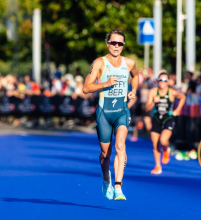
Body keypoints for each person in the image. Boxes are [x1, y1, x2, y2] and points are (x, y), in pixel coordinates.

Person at [83, 29, 138, 201]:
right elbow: (86, 88)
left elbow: (135, 76)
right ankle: (106, 179)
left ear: (123, 46)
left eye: (120, 43)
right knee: (105, 154)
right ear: (108, 43)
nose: (116, 46)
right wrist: (105, 83)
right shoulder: (100, 63)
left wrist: (133, 90)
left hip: (121, 111)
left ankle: (118, 187)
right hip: (104, 113)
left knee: (120, 146)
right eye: (113, 43)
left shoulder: (129, 63)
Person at [145, 72, 186, 174]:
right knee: (155, 144)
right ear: (158, 81)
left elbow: (183, 97)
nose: (162, 83)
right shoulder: (153, 92)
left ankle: (166, 149)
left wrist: (177, 110)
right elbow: (147, 108)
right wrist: (154, 101)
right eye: (160, 80)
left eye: (164, 80)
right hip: (156, 118)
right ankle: (158, 166)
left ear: (168, 82)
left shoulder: (171, 92)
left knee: (163, 140)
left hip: (168, 118)